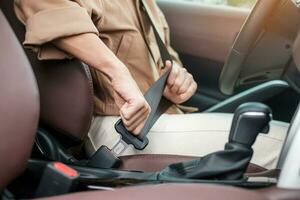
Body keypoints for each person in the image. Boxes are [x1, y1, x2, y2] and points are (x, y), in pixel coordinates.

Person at [14, 0, 288, 169]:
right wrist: (118, 73)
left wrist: (177, 84)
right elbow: (46, 9)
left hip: (155, 118)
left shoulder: (147, 5)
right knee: (284, 144)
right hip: (117, 130)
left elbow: (162, 63)